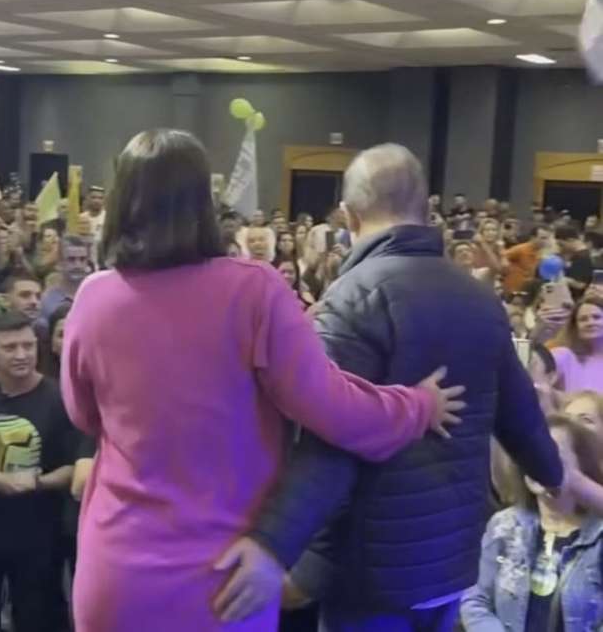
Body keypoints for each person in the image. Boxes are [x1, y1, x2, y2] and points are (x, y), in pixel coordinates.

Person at [61, 129, 465, 632]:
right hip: (225, 578)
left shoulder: (93, 297)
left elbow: (84, 415)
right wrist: (417, 406)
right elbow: (333, 407)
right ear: (203, 204)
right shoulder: (252, 289)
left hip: (115, 574)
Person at [222, 143, 563, 631]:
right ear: (425, 210)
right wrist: (552, 472)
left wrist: (274, 546)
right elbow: (521, 416)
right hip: (452, 560)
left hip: (373, 570)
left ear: (348, 215)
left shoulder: (354, 298)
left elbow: (329, 443)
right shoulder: (478, 296)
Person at [0, 312, 76, 632]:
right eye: (10, 348)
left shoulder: (61, 398)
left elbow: (76, 464)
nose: (21, 355)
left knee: (39, 614)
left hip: (40, 528)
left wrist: (36, 482)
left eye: (28, 346)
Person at [461, 415, 603, 632]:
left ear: (581, 465)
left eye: (552, 454)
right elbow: (475, 601)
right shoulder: (504, 525)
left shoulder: (598, 535)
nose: (538, 463)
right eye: (532, 455)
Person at [0, 274, 42, 358]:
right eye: (25, 295)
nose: (34, 302)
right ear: (5, 301)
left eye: (38, 297)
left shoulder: (45, 337)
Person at [551, 295, 603, 393]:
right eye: (583, 319)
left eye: (597, 317)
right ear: (575, 327)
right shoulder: (564, 356)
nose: (590, 323)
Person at [39, 236, 92, 326]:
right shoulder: (46, 302)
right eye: (71, 259)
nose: (78, 265)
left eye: (82, 259)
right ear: (59, 263)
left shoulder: (97, 295)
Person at [504, 225, 553, 295]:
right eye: (543, 238)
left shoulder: (540, 253)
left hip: (526, 291)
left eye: (548, 238)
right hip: (513, 291)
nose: (546, 241)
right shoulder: (520, 249)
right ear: (533, 238)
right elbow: (502, 257)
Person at [555, 225, 593, 301]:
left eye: (561, 245)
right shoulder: (576, 256)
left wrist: (562, 279)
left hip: (577, 300)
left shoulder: (583, 258)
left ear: (570, 240)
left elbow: (581, 284)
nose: (560, 248)